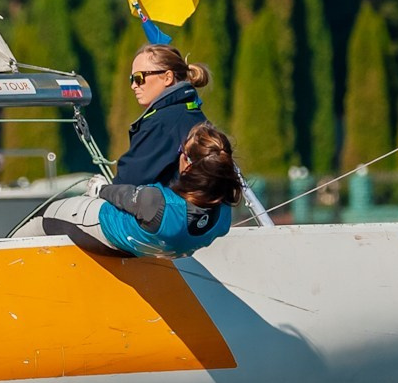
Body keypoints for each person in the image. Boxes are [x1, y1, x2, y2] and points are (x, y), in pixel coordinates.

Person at [35, 123, 243, 258]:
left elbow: (122, 195)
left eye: (181, 151)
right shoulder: (223, 217)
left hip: (102, 227)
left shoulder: (158, 203)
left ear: (187, 164)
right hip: (147, 249)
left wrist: (100, 189)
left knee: (42, 218)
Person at [119, 45, 214, 186]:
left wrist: (104, 189)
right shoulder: (191, 112)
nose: (133, 85)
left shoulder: (162, 123)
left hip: (177, 207)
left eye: (139, 78)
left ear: (167, 77)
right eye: (131, 79)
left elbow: (127, 181)